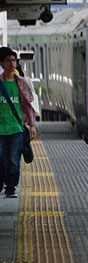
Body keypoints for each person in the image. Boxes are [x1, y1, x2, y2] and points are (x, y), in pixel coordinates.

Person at [0, 47, 37, 198]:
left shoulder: (21, 83)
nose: (12, 63)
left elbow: (28, 105)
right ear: (1, 63)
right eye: (8, 60)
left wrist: (32, 125)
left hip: (16, 128)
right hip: (0, 129)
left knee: (14, 162)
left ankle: (11, 187)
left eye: (14, 60)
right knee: (1, 160)